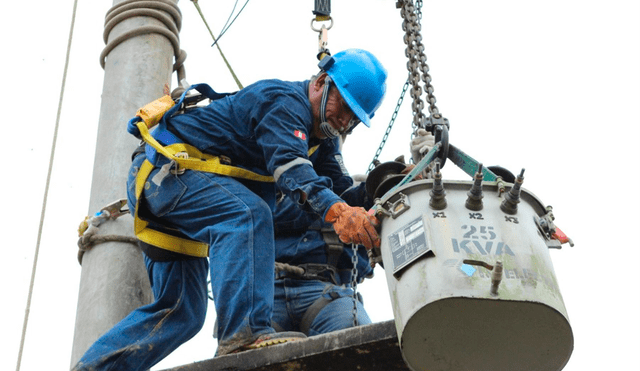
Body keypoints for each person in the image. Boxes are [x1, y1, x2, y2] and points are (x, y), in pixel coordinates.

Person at [72, 48, 388, 371]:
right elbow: (292, 170)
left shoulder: (323, 139)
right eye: (344, 106)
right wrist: (338, 213)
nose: (345, 121)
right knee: (248, 216)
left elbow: (338, 192)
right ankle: (244, 335)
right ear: (322, 82)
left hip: (172, 189)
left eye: (354, 118)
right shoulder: (284, 103)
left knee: (182, 312)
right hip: (167, 173)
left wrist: (379, 194)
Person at [271, 134, 375, 336]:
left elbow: (367, 259)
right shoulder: (262, 191)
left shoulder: (352, 201)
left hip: (326, 293)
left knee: (357, 338)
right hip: (265, 293)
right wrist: (333, 203)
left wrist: (389, 189)